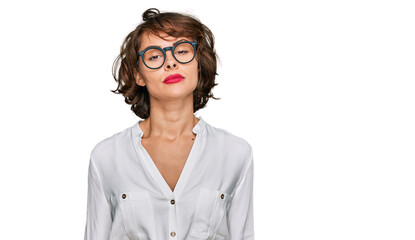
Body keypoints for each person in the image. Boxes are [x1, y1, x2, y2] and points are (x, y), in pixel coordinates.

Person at [83, 8, 255, 240]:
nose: (171, 63)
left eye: (182, 51)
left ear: (198, 63)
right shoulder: (107, 157)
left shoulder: (235, 153)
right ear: (139, 75)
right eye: (154, 56)